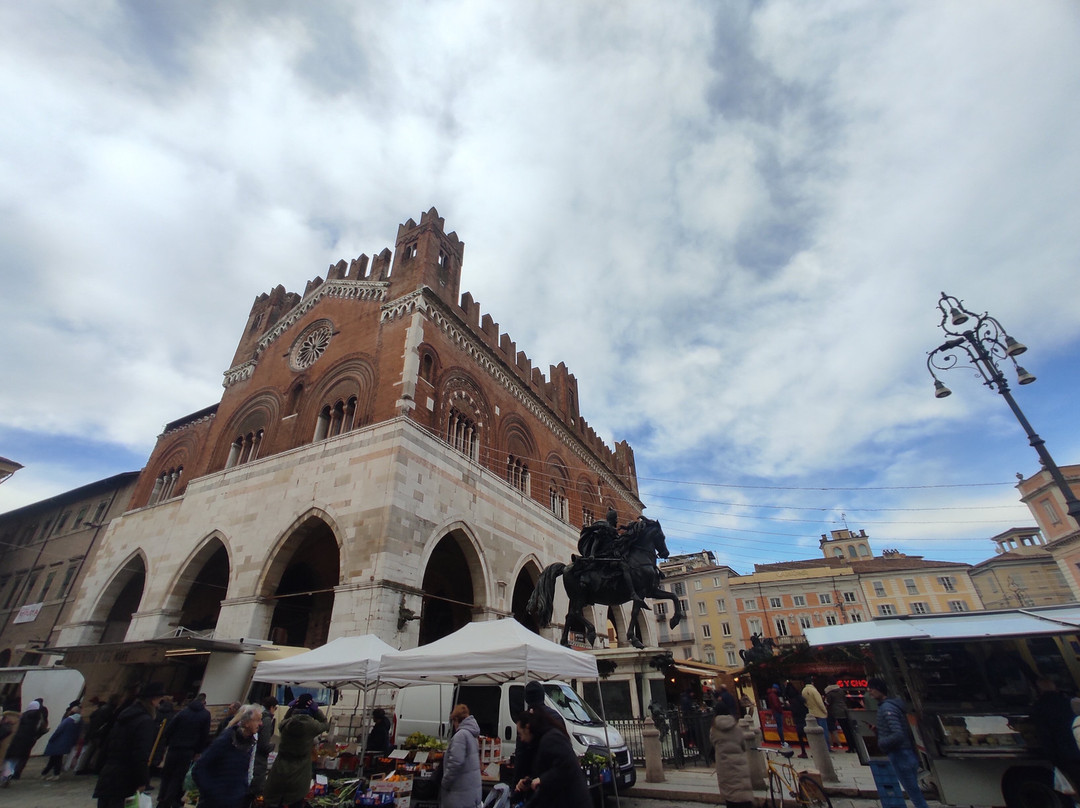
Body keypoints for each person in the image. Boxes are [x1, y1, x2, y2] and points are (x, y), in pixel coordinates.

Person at [93, 681, 167, 808]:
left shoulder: (124, 715)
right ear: (153, 700)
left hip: (109, 773)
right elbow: (140, 754)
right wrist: (142, 780)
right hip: (126, 778)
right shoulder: (145, 721)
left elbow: (108, 743)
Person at [867, 677, 929, 808]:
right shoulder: (892, 706)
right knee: (913, 790)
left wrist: (882, 742)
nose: (869, 692)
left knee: (914, 792)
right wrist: (879, 730)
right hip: (906, 752)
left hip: (900, 754)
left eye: (871, 688)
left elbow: (898, 733)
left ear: (879, 689)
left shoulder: (887, 708)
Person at [262, 694, 328, 808]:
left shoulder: (287, 725)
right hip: (300, 773)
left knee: (276, 801)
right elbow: (325, 724)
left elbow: (282, 721)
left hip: (281, 769)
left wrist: (291, 709)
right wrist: (317, 710)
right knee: (294, 802)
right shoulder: (312, 725)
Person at [515, 708, 590, 808]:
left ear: (527, 727)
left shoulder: (551, 738)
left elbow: (567, 766)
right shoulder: (543, 740)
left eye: (520, 734)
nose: (521, 739)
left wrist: (541, 780)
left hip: (570, 801)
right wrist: (530, 781)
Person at [192, 704, 262, 808]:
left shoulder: (249, 743)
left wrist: (243, 789)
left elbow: (245, 771)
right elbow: (199, 768)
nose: (260, 724)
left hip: (235, 800)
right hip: (214, 802)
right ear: (247, 723)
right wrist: (211, 792)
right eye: (257, 720)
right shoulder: (226, 740)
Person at [159, 694, 213, 808]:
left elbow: (169, 729)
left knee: (167, 775)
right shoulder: (205, 715)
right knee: (177, 777)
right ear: (204, 703)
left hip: (174, 748)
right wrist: (198, 751)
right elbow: (204, 735)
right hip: (188, 751)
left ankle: (161, 799)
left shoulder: (183, 712)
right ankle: (168, 801)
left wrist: (169, 743)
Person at [1030, 677, 1080, 788]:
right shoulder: (1069, 702)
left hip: (1065, 755)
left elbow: (1045, 736)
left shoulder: (1038, 708)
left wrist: (1053, 758)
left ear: (1038, 691)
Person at [709, 700, 753, 808]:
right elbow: (743, 745)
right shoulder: (736, 727)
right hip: (739, 764)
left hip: (725, 766)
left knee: (731, 796)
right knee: (743, 794)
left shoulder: (714, 729)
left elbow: (713, 743)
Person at [440, 704, 482, 808]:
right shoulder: (472, 735)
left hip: (459, 794)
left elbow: (455, 762)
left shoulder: (461, 735)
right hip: (471, 792)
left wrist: (445, 782)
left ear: (456, 720)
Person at [2, 698, 49, 784]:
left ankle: (6, 776)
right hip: (28, 742)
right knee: (19, 759)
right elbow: (40, 730)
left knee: (10, 759)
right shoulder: (39, 718)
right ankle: (13, 774)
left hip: (16, 740)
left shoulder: (21, 716)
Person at [249, 696, 278, 805]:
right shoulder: (266, 720)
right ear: (271, 707)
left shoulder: (259, 716)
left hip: (254, 756)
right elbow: (264, 744)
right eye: (275, 708)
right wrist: (272, 746)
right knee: (256, 790)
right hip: (259, 760)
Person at [78, 695, 119, 774]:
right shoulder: (108, 710)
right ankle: (85, 768)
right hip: (97, 734)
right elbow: (104, 723)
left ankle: (82, 767)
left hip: (94, 733)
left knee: (89, 751)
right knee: (92, 751)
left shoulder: (103, 709)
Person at [41, 704, 82, 779]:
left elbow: (58, 731)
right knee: (56, 758)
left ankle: (51, 774)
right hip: (66, 743)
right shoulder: (79, 721)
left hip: (58, 742)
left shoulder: (68, 720)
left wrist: (51, 739)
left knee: (55, 758)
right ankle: (49, 773)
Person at [824, 684, 853, 751]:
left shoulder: (830, 693)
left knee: (844, 729)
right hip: (845, 710)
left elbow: (828, 703)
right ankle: (853, 746)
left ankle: (850, 747)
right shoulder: (841, 691)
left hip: (837, 712)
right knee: (848, 730)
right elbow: (845, 699)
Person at [785, 680, 809, 758]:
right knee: (807, 735)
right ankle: (813, 750)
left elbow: (794, 710)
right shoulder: (800, 697)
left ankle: (804, 752)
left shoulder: (793, 701)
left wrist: (788, 706)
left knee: (801, 736)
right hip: (804, 717)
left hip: (798, 719)